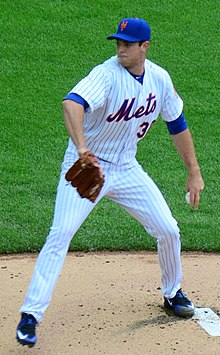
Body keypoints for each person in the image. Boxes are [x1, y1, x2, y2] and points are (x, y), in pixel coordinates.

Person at [16, 18, 205, 347]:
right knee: (61, 233)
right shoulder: (106, 74)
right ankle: (30, 315)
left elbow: (177, 123)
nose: (120, 48)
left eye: (128, 44)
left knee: (168, 229)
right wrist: (81, 148)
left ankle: (172, 292)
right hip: (89, 165)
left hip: (127, 168)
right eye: (118, 42)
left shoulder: (159, 79)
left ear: (144, 47)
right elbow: (71, 103)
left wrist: (194, 172)